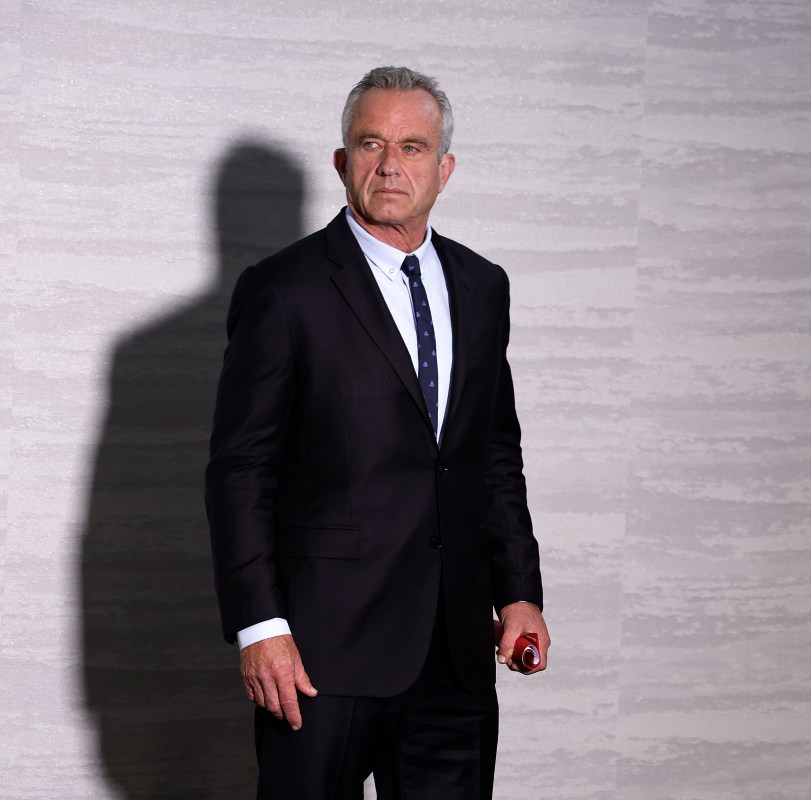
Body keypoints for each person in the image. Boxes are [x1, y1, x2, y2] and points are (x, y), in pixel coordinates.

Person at [206, 65, 549, 800]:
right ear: (342, 162)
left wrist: (518, 591)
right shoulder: (283, 289)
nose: (391, 164)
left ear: (445, 168)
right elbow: (241, 470)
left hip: (454, 650)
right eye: (371, 143)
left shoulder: (484, 287)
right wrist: (258, 626)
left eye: (414, 146)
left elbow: (492, 452)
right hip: (320, 650)